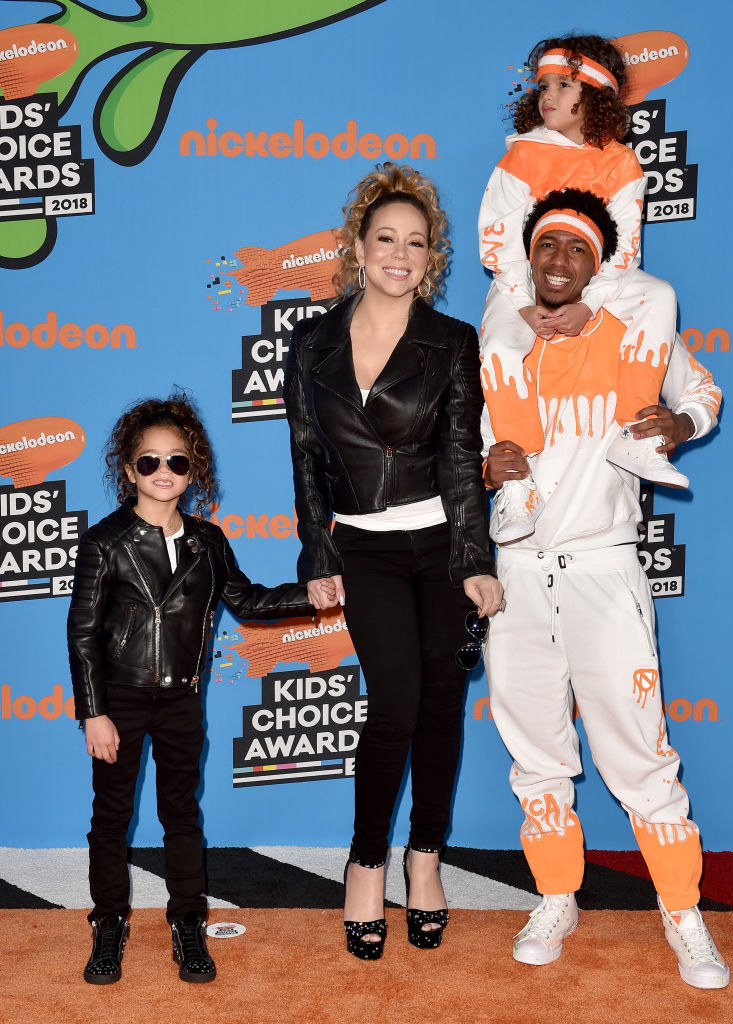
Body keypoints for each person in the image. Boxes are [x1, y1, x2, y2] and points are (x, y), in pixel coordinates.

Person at [482, 189, 730, 989]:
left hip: (602, 566)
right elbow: (468, 445)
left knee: (640, 752)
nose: (557, 263)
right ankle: (556, 895)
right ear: (527, 257)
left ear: (599, 266)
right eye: (546, 247)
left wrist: (680, 425)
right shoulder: (495, 344)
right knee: (535, 750)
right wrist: (482, 466)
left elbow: (704, 395)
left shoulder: (633, 334)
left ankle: (681, 912)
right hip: (517, 570)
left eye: (576, 251)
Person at [284, 162, 503, 960]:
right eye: (386, 239)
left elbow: (458, 458)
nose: (400, 254)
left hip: (442, 545)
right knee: (396, 706)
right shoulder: (309, 343)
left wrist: (474, 559)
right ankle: (366, 863)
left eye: (416, 242)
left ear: (432, 255)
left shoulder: (451, 343)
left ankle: (426, 859)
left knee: (441, 705)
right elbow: (306, 456)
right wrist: (316, 548)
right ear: (358, 245)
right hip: (364, 548)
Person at [67, 394, 312, 985]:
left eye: (177, 463)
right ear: (128, 470)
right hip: (119, 700)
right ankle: (108, 924)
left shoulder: (208, 541)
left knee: (181, 814)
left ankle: (186, 925)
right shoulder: (105, 541)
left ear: (193, 468)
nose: (163, 474)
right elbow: (82, 634)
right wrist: (93, 714)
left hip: (181, 700)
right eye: (148, 463)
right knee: (111, 817)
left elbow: (248, 601)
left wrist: (313, 595)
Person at [479, 33, 686, 545]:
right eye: (543, 85)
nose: (548, 95)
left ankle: (634, 436)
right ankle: (517, 483)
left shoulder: (621, 164)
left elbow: (624, 250)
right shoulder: (521, 156)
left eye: (563, 85)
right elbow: (498, 239)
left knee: (659, 296)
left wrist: (591, 307)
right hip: (523, 286)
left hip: (603, 283)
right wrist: (524, 305)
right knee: (501, 347)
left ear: (592, 96)